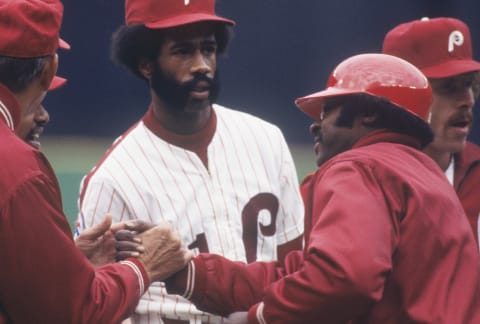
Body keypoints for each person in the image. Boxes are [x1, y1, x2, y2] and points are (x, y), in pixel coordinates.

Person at [164, 53, 480, 324]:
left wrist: (262, 316)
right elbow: (300, 273)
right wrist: (190, 273)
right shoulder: (429, 178)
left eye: (328, 111)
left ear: (368, 112)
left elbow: (347, 277)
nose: (315, 124)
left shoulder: (358, 167)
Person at [77, 0, 304, 322]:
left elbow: (296, 266)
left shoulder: (267, 140)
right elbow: (99, 304)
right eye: (183, 52)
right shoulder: (114, 177)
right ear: (146, 64)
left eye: (208, 49)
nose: (202, 65)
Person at [0, 0, 192, 322]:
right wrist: (143, 266)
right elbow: (75, 313)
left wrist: (64, 261)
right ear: (50, 69)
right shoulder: (17, 167)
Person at [382, 17, 480, 246]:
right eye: (447, 87)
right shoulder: (362, 180)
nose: (467, 100)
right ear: (400, 95)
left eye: (468, 84)